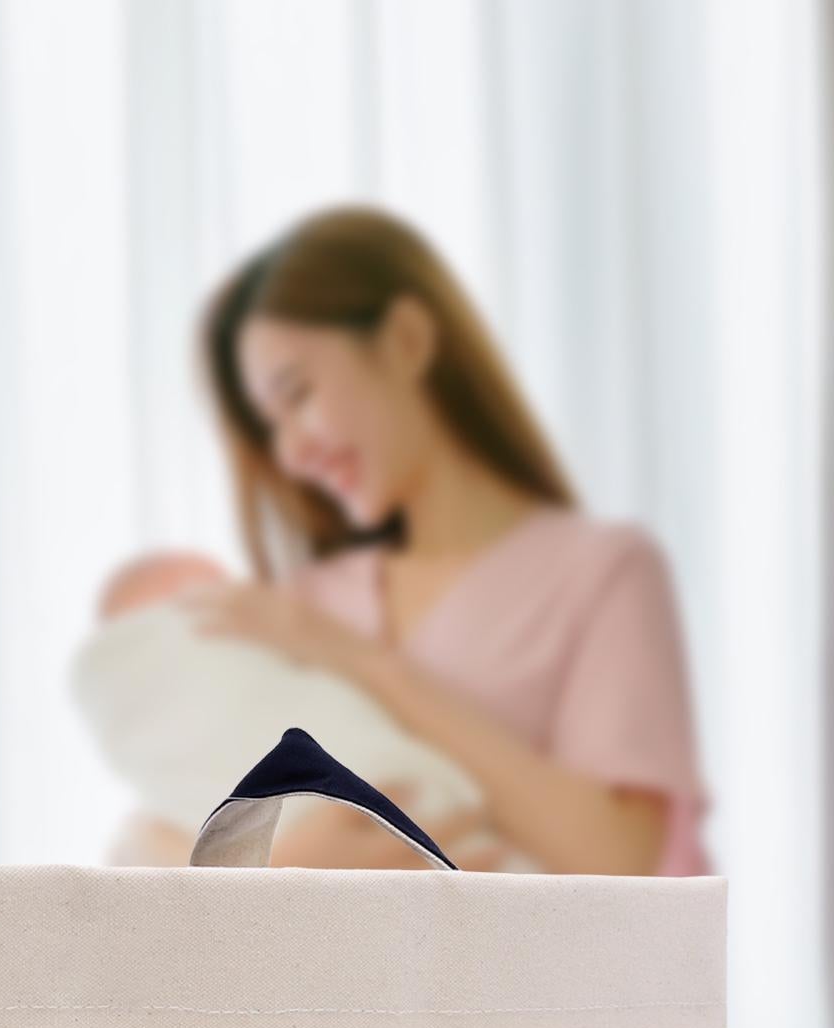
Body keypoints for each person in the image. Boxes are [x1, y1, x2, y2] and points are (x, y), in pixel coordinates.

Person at [102, 206, 712, 875]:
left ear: (408, 340)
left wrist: (366, 663)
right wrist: (278, 862)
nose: (291, 452)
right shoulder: (297, 606)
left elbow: (619, 858)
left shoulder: (603, 572)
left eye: (298, 393)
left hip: (525, 974)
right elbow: (144, 839)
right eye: (269, 426)